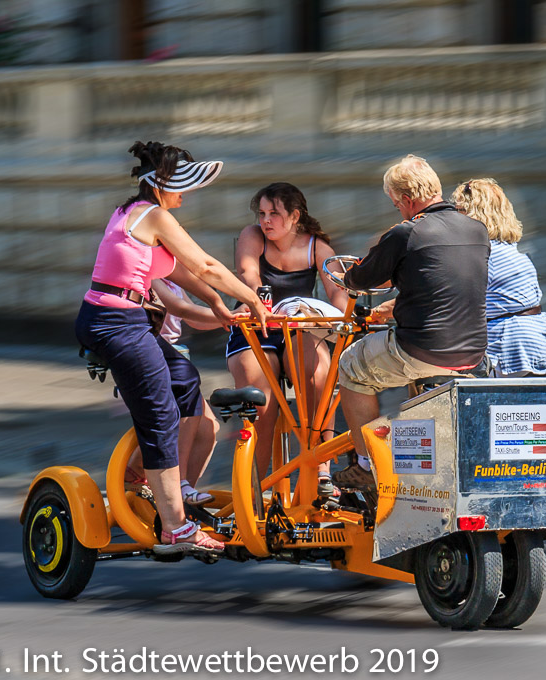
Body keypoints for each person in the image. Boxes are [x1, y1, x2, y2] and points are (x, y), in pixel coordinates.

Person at [76, 140, 272, 555]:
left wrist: (220, 304)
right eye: (182, 185)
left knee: (184, 379)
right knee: (159, 412)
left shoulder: (137, 213)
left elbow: (180, 271)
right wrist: (252, 300)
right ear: (163, 184)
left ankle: (148, 478)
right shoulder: (153, 215)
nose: (186, 194)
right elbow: (206, 265)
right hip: (113, 322)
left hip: (127, 320)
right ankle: (174, 527)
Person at [333, 155, 490, 488]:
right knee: (417, 379)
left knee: (350, 367)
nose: (399, 211)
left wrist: (346, 278)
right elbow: (441, 287)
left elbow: (360, 279)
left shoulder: (406, 232)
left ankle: (366, 464)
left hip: (422, 349)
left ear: (407, 199)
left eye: (396, 205)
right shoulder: (477, 230)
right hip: (473, 353)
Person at [228, 182, 348, 490]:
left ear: (295, 216)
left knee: (320, 377)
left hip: (297, 327)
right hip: (259, 326)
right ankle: (253, 490)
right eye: (262, 213)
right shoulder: (252, 236)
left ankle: (322, 472)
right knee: (262, 403)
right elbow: (249, 274)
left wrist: (340, 320)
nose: (265, 220)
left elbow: (338, 292)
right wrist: (255, 299)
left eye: (274, 214)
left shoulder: (317, 246)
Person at [123, 278, 226, 506]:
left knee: (209, 428)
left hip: (174, 357)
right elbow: (179, 308)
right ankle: (176, 486)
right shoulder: (151, 274)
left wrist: (234, 319)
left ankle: (180, 493)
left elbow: (193, 318)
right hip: (152, 357)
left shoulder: (173, 280)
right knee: (182, 422)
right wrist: (227, 314)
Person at [450, 179, 546, 376]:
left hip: (506, 346)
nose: (455, 218)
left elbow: (446, 299)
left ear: (474, 214)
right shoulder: (508, 249)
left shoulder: (481, 253)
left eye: (459, 210)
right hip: (535, 342)